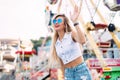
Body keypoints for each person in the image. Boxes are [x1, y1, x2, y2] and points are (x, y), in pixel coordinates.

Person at [49, 5, 92, 80]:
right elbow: (62, 62)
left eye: (59, 21)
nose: (56, 23)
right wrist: (63, 76)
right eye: (54, 21)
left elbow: (83, 40)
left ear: (65, 24)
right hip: (68, 73)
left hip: (80, 70)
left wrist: (75, 22)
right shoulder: (56, 43)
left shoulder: (71, 34)